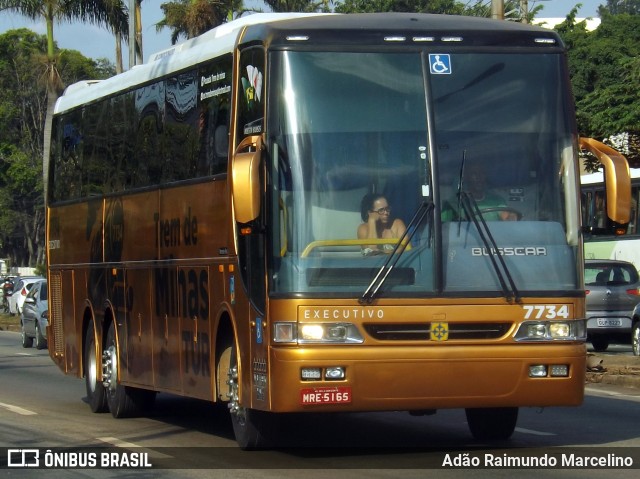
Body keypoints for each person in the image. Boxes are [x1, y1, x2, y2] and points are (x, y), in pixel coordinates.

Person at [442, 163, 517, 221]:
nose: (479, 177)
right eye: (474, 174)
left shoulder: (497, 201)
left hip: (491, 240)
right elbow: (442, 227)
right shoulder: (452, 204)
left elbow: (507, 217)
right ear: (466, 177)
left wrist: (512, 216)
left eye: (482, 173)